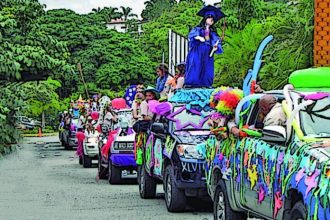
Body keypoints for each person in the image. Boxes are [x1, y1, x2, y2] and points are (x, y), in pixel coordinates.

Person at [185, 5, 225, 88]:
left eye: (213, 19)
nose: (211, 20)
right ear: (205, 18)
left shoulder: (213, 32)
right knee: (195, 66)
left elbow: (215, 41)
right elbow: (192, 36)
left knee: (207, 69)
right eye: (209, 17)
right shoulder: (198, 29)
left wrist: (215, 46)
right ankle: (192, 84)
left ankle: (206, 84)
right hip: (197, 51)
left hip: (208, 53)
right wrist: (198, 37)